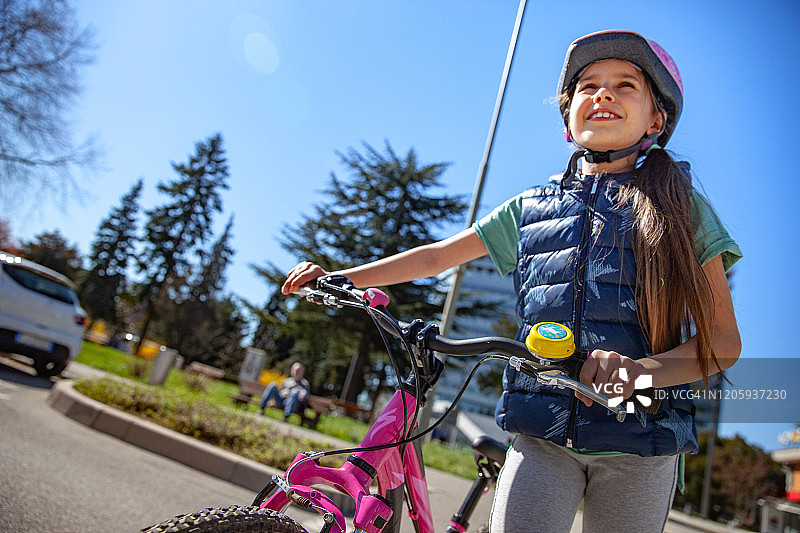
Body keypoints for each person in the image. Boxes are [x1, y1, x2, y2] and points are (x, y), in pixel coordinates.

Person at [281, 30, 742, 533]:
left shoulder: (680, 210)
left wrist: (639, 373)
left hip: (641, 443)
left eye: (625, 85)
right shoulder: (532, 208)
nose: (603, 94)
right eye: (587, 86)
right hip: (542, 433)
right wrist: (337, 278)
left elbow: (722, 342)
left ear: (656, 118)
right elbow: (438, 257)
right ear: (568, 119)